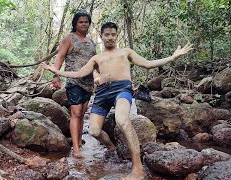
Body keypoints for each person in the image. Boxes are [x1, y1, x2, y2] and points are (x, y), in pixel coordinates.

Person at [42, 22, 193, 179]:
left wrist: (173, 57)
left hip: (122, 89)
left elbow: (148, 64)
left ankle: (138, 168)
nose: (110, 37)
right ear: (101, 37)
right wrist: (55, 71)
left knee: (122, 119)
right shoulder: (96, 58)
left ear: (117, 36)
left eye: (113, 34)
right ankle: (111, 146)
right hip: (101, 93)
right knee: (94, 131)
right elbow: (79, 73)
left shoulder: (125, 52)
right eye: (106, 34)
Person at [51, 11, 96, 158]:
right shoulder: (69, 39)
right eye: (81, 22)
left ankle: (79, 142)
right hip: (73, 81)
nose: (84, 24)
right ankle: (75, 149)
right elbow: (60, 57)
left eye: (86, 22)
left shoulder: (91, 41)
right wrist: (55, 75)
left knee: (82, 113)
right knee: (75, 113)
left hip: (88, 82)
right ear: (75, 24)